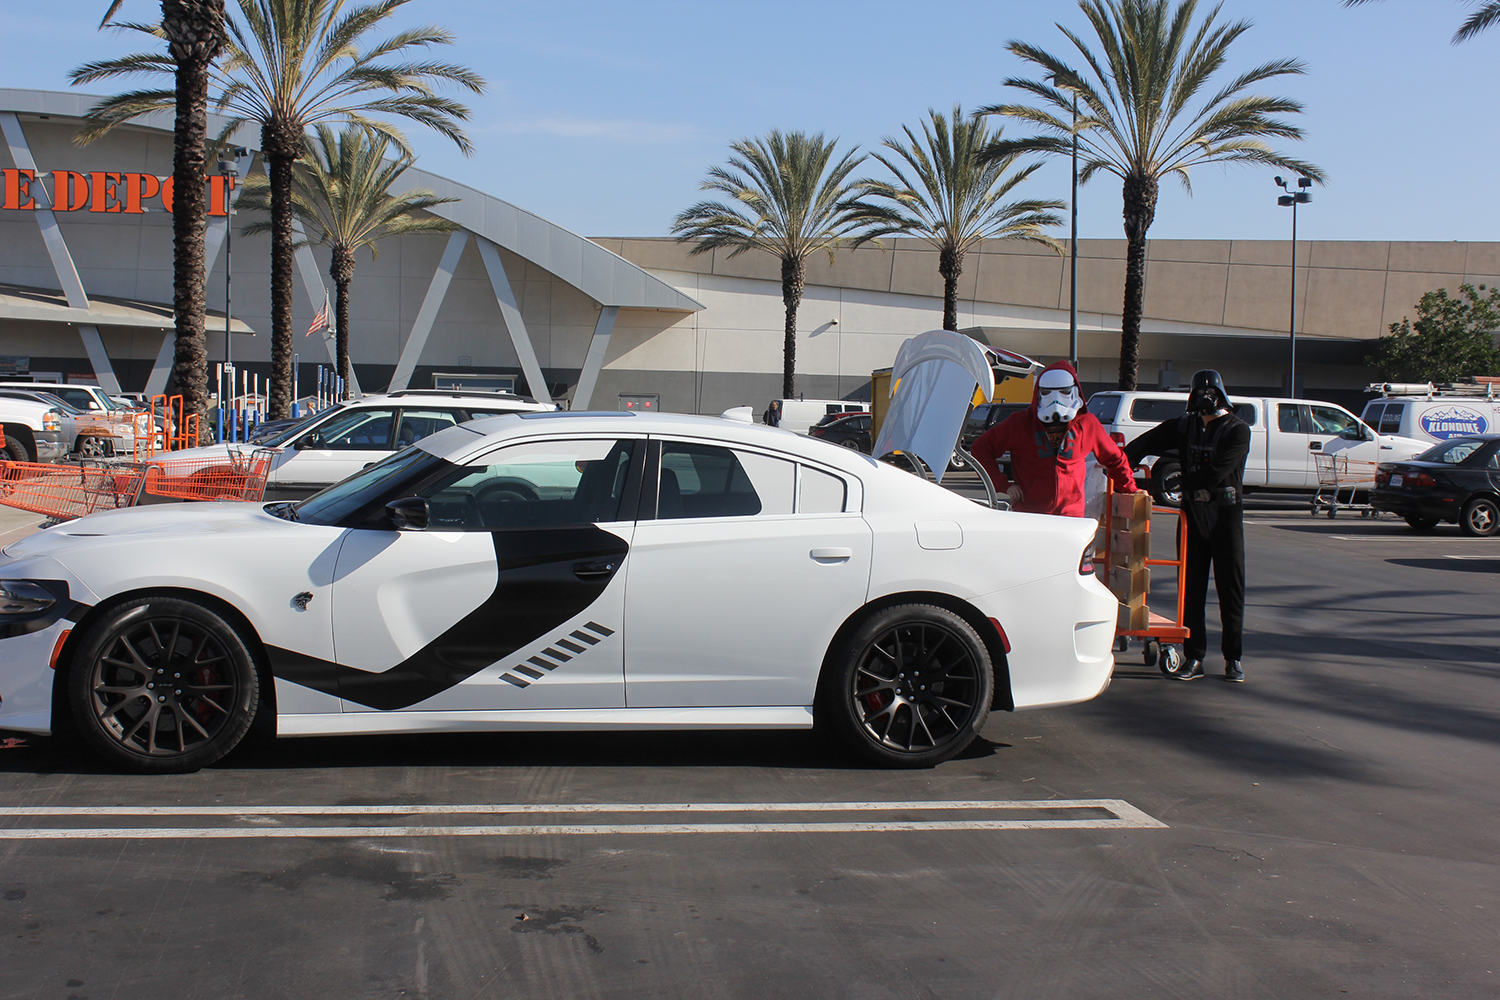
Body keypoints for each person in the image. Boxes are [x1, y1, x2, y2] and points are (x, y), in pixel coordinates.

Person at [1125, 369, 1250, 683]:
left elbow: (1219, 470)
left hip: (1225, 515)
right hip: (1193, 514)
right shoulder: (1185, 426)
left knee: (1230, 588)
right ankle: (1195, 657)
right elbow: (1143, 444)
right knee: (1191, 588)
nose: (1204, 401)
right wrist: (1120, 466)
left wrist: (1184, 480)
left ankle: (1232, 658)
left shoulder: (1238, 430)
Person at [970, 360, 1140, 518]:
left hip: (1071, 516)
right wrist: (1003, 485)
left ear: (1075, 391)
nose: (1055, 399)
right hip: (1030, 515)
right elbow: (980, 449)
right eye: (1047, 393)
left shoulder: (1088, 424)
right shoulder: (1020, 423)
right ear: (1039, 393)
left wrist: (1130, 490)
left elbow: (1114, 458)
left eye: (1064, 392)